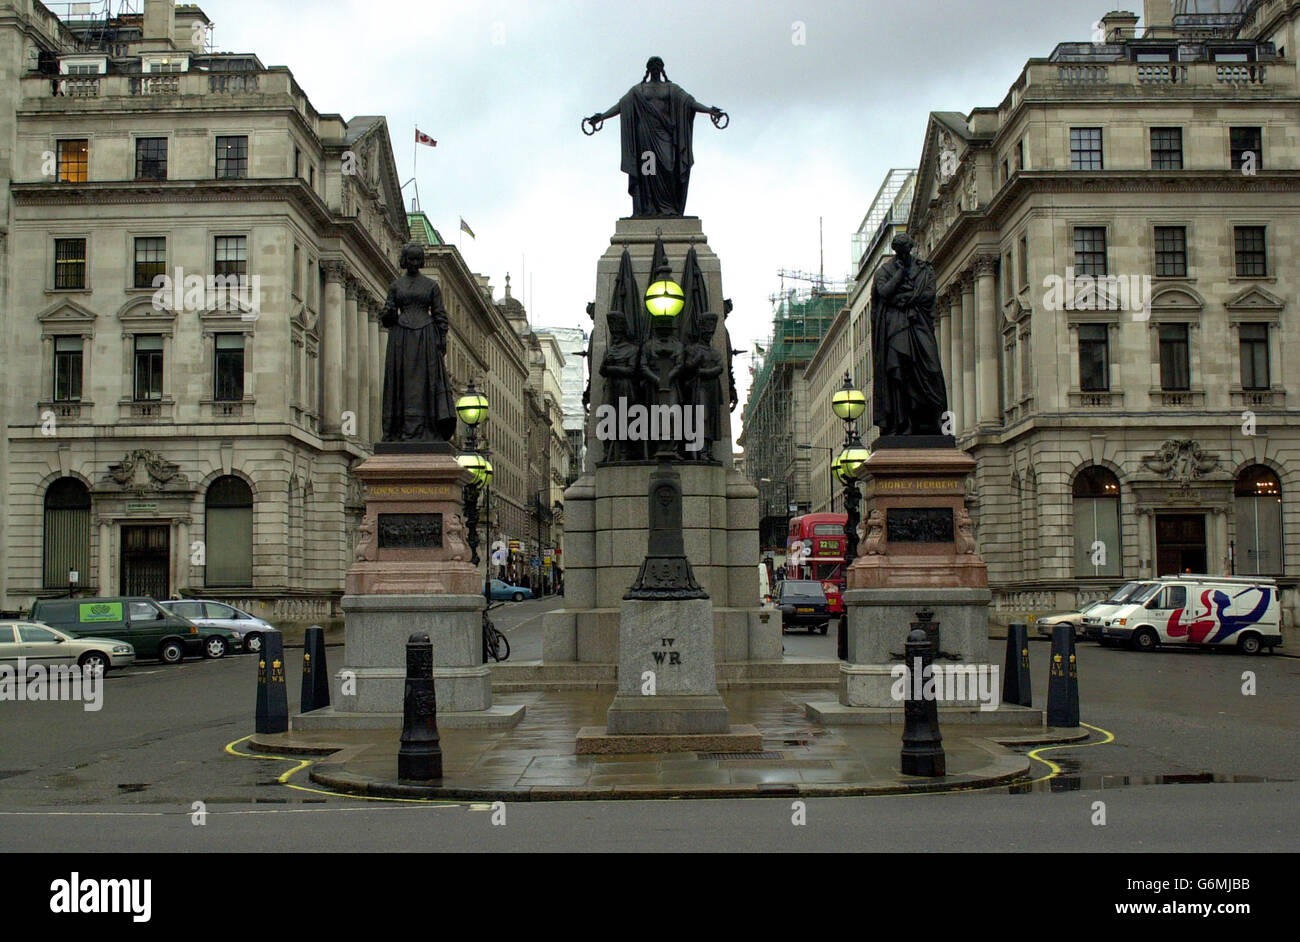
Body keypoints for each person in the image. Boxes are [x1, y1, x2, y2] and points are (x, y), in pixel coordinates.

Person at [584, 57, 727, 217]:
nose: (655, 68)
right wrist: (602, 117)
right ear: (648, 69)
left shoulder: (671, 89)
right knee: (648, 171)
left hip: (665, 135)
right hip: (645, 136)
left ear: (662, 68)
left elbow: (689, 103)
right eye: (652, 66)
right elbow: (621, 106)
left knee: (669, 168)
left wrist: (710, 111)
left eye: (658, 66)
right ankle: (648, 207)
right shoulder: (639, 90)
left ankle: (669, 207)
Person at [870, 232, 948, 437]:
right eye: (900, 251)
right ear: (895, 251)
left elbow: (929, 294)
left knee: (931, 369)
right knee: (898, 374)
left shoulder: (924, 269)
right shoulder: (884, 271)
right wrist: (900, 275)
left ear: (911, 248)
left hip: (918, 324)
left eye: (906, 250)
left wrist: (905, 298)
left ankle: (932, 421)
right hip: (895, 327)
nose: (903, 254)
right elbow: (884, 293)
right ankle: (902, 423)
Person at [380, 243, 457, 443]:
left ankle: (428, 428)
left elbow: (440, 315)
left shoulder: (431, 286)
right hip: (401, 339)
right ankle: (398, 429)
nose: (414, 263)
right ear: (405, 261)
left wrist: (440, 342)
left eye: (417, 259)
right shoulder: (395, 286)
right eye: (410, 259)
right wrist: (388, 314)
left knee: (425, 383)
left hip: (426, 339)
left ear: (421, 261)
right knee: (402, 383)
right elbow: (387, 318)